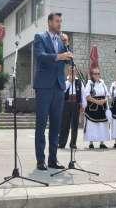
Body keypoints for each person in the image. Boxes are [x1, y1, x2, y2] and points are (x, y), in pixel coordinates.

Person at [33, 12, 71, 170]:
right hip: (44, 87)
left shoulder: (62, 41)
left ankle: (53, 160)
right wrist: (59, 56)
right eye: (57, 21)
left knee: (56, 125)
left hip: (59, 87)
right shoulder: (40, 37)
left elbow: (68, 58)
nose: (59, 24)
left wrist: (67, 44)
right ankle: (40, 160)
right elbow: (40, 56)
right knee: (41, 124)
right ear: (49, 22)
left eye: (61, 21)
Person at [84, 68, 110, 149]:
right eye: (95, 74)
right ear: (92, 75)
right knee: (92, 125)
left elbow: (107, 94)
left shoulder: (102, 83)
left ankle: (102, 142)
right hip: (93, 106)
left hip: (102, 106)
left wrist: (104, 100)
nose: (97, 75)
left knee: (102, 125)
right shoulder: (89, 83)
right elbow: (87, 96)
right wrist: (96, 102)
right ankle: (91, 143)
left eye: (98, 73)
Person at [58, 65, 82, 149]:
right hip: (66, 104)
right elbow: (62, 90)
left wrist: (83, 104)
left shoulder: (79, 81)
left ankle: (73, 143)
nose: (73, 72)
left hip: (76, 103)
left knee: (75, 125)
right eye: (71, 71)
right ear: (68, 72)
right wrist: (69, 82)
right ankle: (61, 143)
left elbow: (82, 93)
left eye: (74, 71)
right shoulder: (65, 80)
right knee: (65, 124)